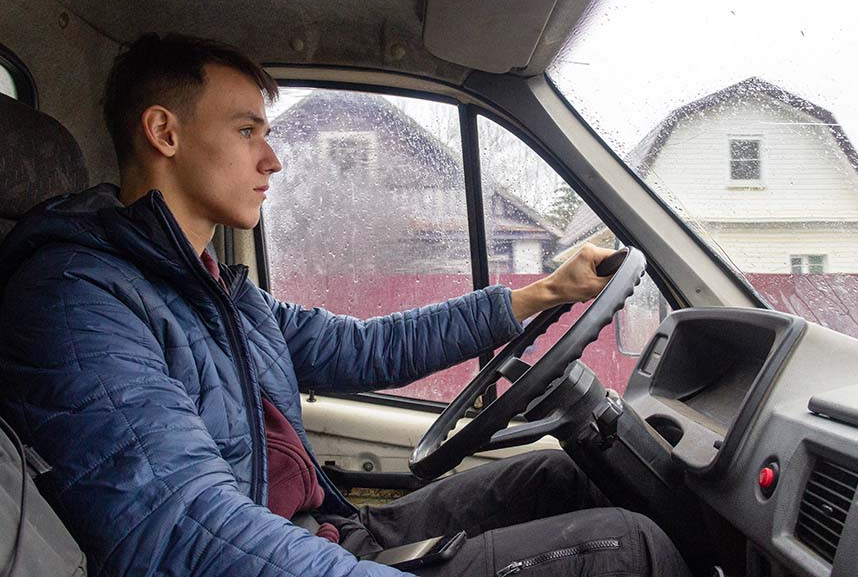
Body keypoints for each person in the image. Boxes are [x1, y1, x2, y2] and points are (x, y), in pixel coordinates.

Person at [0, 33, 691, 577]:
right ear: (165, 132)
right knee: (631, 549)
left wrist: (546, 292)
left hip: (317, 535)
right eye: (246, 131)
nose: (272, 159)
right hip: (253, 555)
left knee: (563, 475)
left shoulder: (213, 289)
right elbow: (184, 526)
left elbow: (364, 347)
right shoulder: (75, 298)